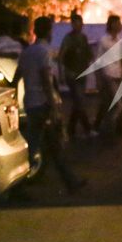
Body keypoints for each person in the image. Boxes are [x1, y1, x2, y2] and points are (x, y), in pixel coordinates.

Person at [15, 16, 85, 194]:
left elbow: (16, 79)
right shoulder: (44, 52)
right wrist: (54, 107)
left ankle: (71, 182)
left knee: (49, 145)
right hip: (43, 105)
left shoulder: (27, 52)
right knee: (40, 146)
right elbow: (47, 81)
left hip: (30, 103)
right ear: (48, 31)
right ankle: (17, 188)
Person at [58, 9, 98, 135]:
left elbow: (88, 54)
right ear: (72, 24)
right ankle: (87, 128)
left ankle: (70, 129)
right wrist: (62, 74)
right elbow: (61, 57)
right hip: (72, 74)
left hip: (82, 73)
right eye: (75, 24)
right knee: (80, 101)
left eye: (80, 24)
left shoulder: (83, 37)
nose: (78, 26)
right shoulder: (68, 39)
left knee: (77, 102)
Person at [95, 14, 122, 138]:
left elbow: (118, 59)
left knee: (111, 103)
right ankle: (109, 130)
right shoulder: (104, 40)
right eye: (118, 23)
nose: (120, 25)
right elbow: (98, 60)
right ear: (112, 24)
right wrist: (99, 78)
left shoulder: (118, 40)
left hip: (117, 75)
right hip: (108, 76)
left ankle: (111, 128)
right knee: (118, 104)